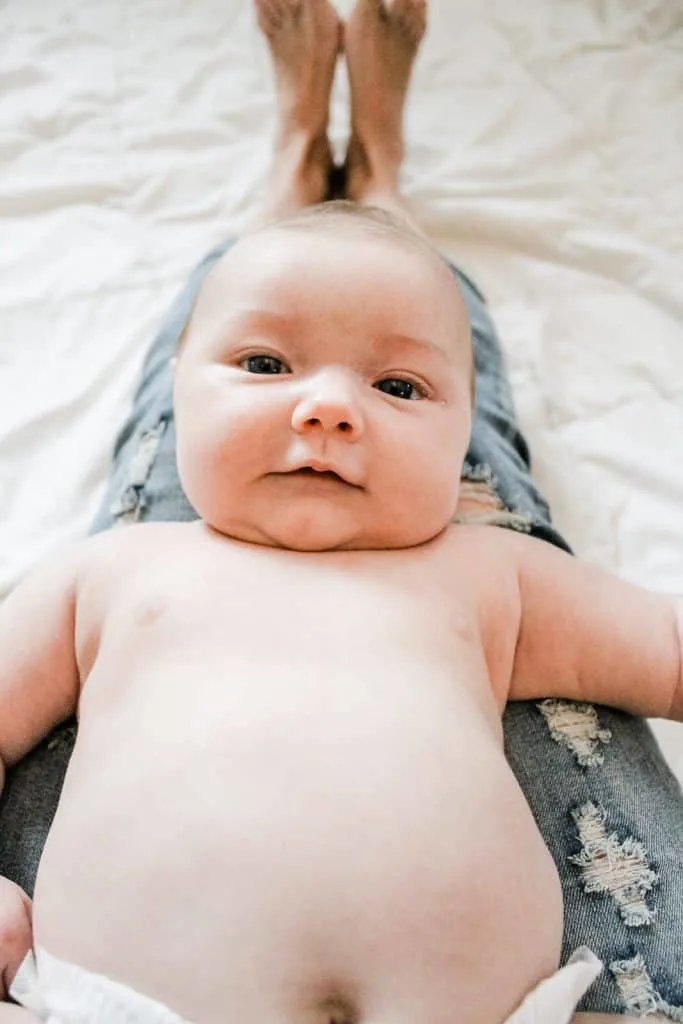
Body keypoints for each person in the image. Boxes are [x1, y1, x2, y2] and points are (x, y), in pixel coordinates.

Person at [0, 0, 681, 1020]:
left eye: (398, 388)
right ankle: (338, 185)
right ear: (174, 394)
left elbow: (665, 647)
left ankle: (364, 181)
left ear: (467, 452)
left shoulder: (484, 566)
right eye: (264, 364)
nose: (324, 405)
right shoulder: (116, 568)